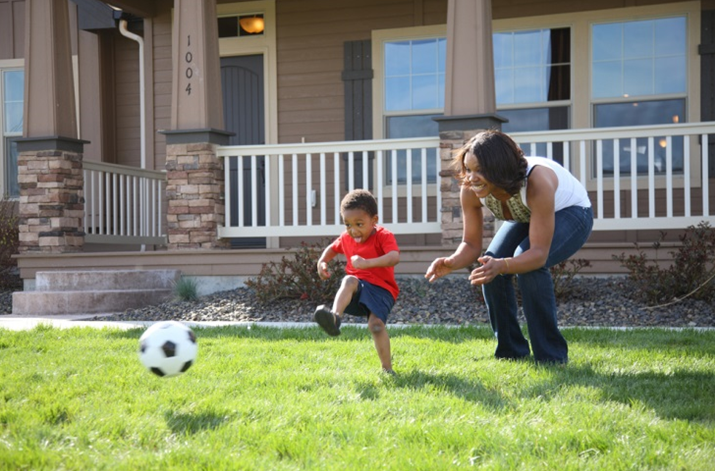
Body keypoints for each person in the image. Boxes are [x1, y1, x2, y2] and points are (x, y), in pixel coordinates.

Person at [425, 130, 593, 364]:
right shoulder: (471, 189)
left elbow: (537, 255)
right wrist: (452, 262)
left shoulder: (536, 182)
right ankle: (511, 352)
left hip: (572, 213)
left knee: (528, 264)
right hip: (525, 216)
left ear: (499, 167)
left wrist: (505, 265)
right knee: (489, 263)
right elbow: (471, 244)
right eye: (469, 169)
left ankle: (551, 357)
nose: (472, 177)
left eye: (480, 170)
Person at [314, 189, 400, 375]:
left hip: (382, 290)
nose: (353, 230)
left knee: (376, 326)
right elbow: (332, 248)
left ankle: (387, 370)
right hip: (358, 288)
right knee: (349, 279)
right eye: (347, 225)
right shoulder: (347, 237)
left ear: (374, 220)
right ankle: (335, 318)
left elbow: (394, 257)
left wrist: (367, 263)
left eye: (359, 224)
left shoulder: (383, 236)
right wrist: (322, 261)